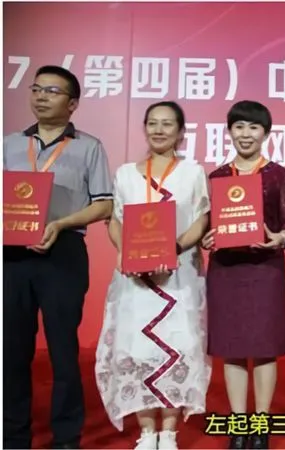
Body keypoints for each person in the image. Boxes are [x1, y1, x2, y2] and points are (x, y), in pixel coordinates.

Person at [2, 65, 113, 449]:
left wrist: (61, 223)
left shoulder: (89, 146)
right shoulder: (9, 144)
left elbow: (104, 204)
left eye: (52, 91)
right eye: (36, 89)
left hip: (63, 252)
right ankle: (13, 435)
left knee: (63, 350)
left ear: (72, 103)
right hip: (12, 255)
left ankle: (66, 437)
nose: (41, 96)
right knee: (12, 350)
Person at [95, 101, 212, 449]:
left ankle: (169, 431)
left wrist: (175, 248)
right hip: (134, 278)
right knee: (136, 348)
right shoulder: (126, 174)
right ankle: (146, 431)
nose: (159, 130)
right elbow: (115, 220)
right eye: (152, 123)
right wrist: (125, 251)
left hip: (179, 274)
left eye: (167, 124)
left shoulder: (193, 172)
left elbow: (202, 218)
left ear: (181, 131)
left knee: (180, 345)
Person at [200, 100, 285, 450]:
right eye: (239, 126)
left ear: (265, 134)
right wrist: (207, 238)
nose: (246, 134)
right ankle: (239, 425)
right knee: (233, 348)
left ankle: (261, 425)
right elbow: (208, 225)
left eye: (254, 127)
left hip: (265, 269)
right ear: (229, 131)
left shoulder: (278, 175)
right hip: (226, 271)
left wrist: (280, 237)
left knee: (265, 349)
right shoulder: (217, 177)